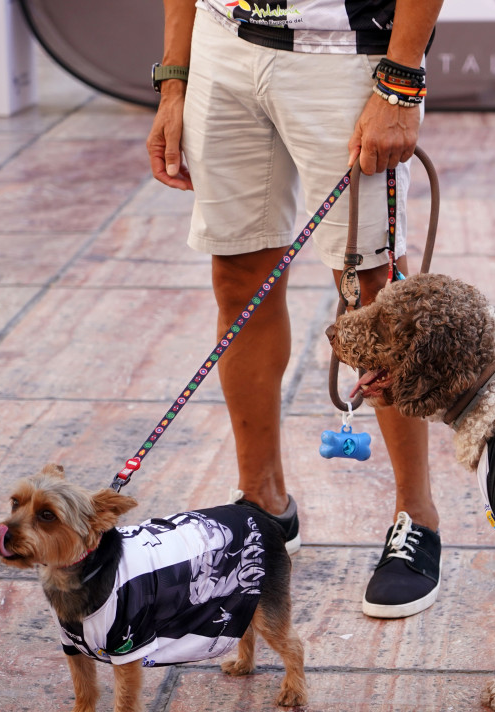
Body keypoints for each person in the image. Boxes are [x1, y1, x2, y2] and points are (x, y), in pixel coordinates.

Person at [146, 0, 445, 619]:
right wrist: (174, 77)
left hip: (343, 52)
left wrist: (401, 80)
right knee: (237, 275)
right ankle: (263, 504)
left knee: (374, 290)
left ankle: (417, 518)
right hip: (223, 44)